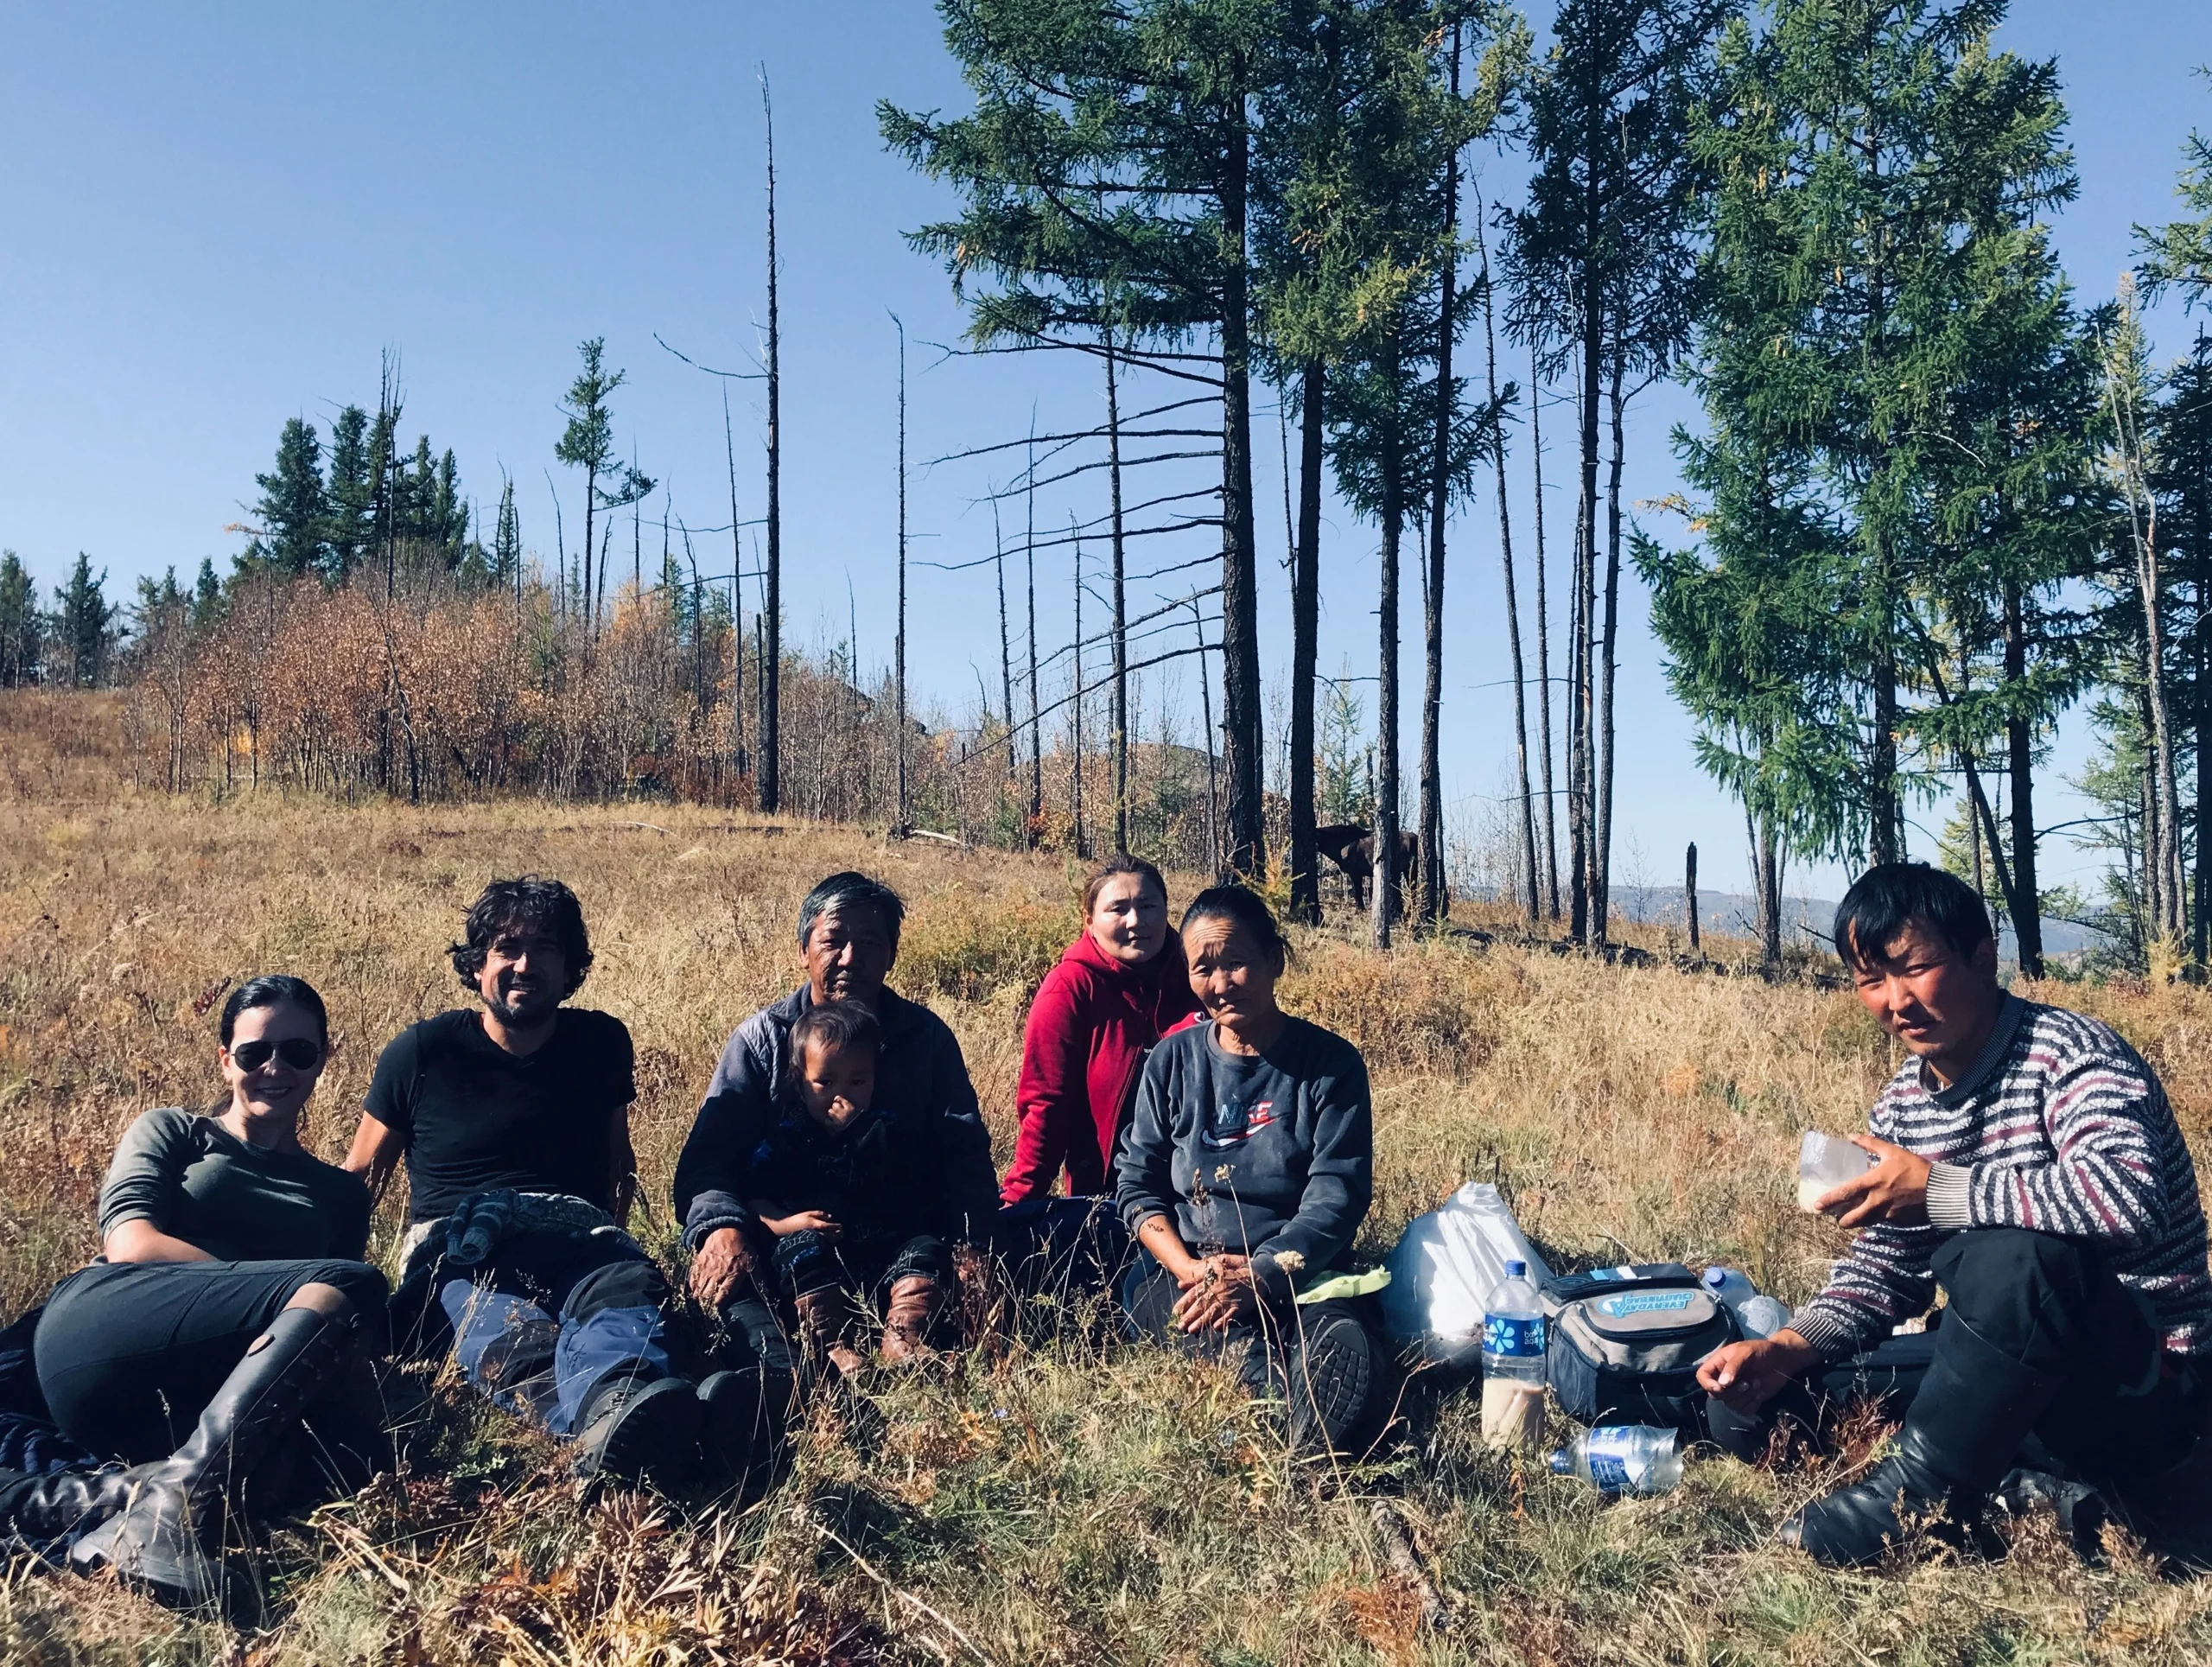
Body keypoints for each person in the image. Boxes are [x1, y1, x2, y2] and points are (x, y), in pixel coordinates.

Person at [1697, 862, 2212, 1567]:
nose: (1895, 1000)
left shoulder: (2074, 1057)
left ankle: (1923, 1506)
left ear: (1982, 955)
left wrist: (1938, 1188)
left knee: (2018, 1253)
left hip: (2146, 1383)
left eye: (1914, 968)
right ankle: (2024, 1480)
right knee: (1750, 1405)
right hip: (2016, 1364)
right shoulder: (1905, 1103)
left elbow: (2130, 1196)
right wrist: (1787, 1347)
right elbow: (1886, 1271)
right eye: (1870, 979)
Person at [346, 876, 742, 1488]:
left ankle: (622, 1409)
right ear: (478, 964)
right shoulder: (423, 1052)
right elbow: (360, 1181)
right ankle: (653, 1432)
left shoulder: (601, 1042)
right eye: (507, 948)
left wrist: (613, 1235)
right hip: (462, 1251)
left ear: (570, 967)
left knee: (621, 1305)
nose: (525, 964)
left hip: (579, 1235)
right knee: (505, 1331)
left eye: (545, 949)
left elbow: (618, 1162)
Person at [33, 975, 388, 1609]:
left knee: (345, 1450)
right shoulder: (174, 1131)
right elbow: (132, 1244)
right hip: (106, 1325)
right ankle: (168, 1513)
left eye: (298, 1052)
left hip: (200, 1398)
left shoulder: (340, 1194)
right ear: (226, 1061)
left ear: (324, 1059)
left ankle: (137, 1496)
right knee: (346, 1285)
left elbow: (326, 1345)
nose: (275, 1067)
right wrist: (276, 1298)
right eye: (255, 1053)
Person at [677, 873, 999, 1406]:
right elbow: (709, 1159)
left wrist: (975, 1248)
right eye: (833, 940)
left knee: (935, 1266)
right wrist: (722, 1227)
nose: (851, 957)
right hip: (795, 1251)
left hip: (897, 1237)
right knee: (749, 1296)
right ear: (804, 949)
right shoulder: (764, 1039)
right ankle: (803, 1366)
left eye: (871, 943)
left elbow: (963, 1156)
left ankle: (905, 1347)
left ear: (892, 955)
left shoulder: (926, 1040)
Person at [1115, 885, 1383, 1452]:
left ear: (1274, 960)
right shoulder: (1170, 1061)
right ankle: (1273, 1410)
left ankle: (1306, 1406)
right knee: (1196, 1320)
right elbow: (1136, 1183)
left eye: (1235, 962)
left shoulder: (1330, 1065)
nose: (1219, 982)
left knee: (1339, 1331)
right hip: (1189, 1270)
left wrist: (1263, 1272)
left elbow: (1338, 1191)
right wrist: (1192, 1270)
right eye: (1202, 967)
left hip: (1299, 1268)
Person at [722, 1000, 969, 1372]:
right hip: (818, 1257)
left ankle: (904, 1337)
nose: (842, 1096)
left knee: (925, 1247)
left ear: (875, 1078)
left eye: (858, 1081)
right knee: (800, 1250)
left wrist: (862, 1134)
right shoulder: (789, 1140)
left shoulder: (884, 1130)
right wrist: (790, 1225)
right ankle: (832, 1346)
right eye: (825, 1082)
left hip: (880, 1251)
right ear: (799, 1080)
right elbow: (754, 1201)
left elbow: (913, 1180)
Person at [1001, 854, 1200, 1205]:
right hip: (1109, 1201)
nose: (1136, 920)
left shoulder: (1199, 977)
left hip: (1203, 1195)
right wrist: (1018, 1200)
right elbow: (1046, 1105)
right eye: (1118, 909)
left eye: (1148, 905)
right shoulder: (1069, 989)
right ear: (1089, 920)